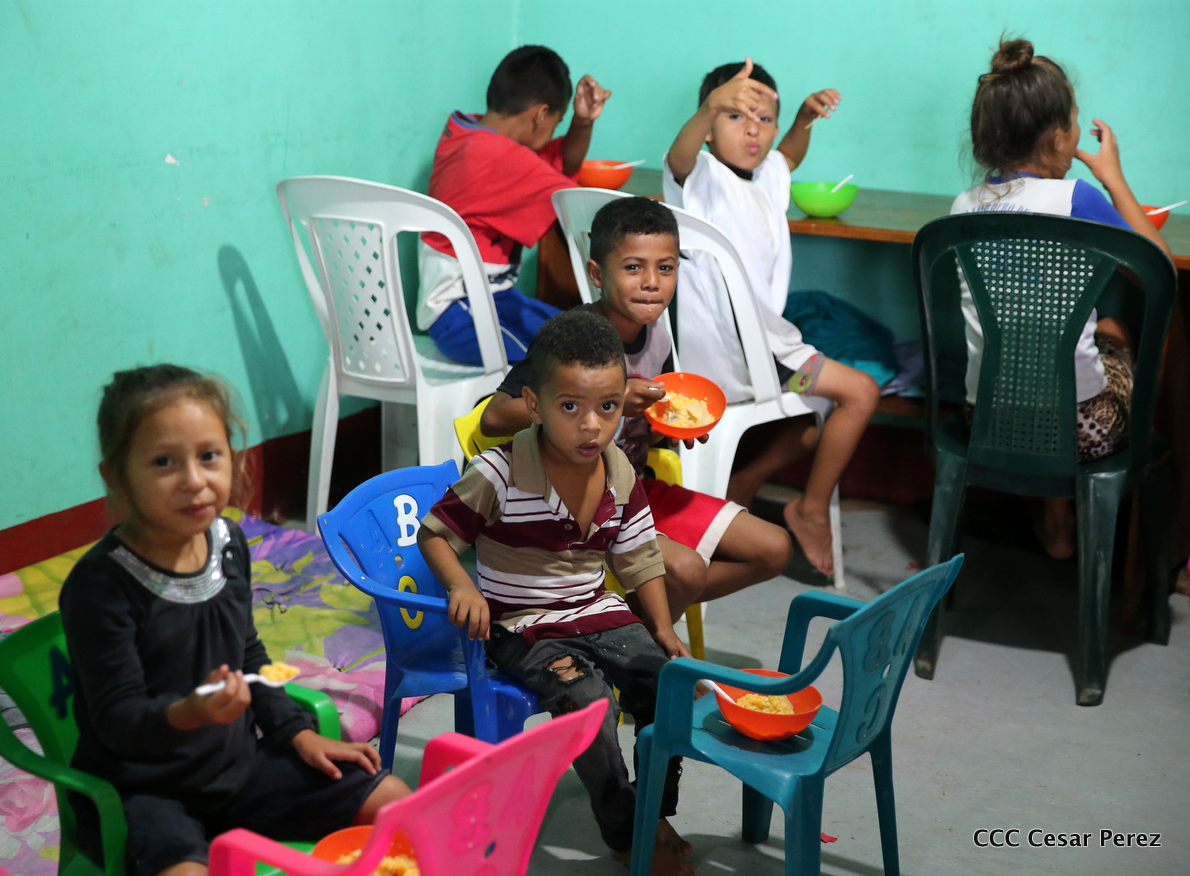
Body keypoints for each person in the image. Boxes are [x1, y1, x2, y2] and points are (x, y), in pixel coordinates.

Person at [60, 365, 410, 876]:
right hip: (146, 791)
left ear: (232, 455)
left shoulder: (227, 543)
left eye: (208, 455)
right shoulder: (100, 586)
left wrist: (295, 732)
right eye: (163, 462)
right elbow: (116, 719)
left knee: (395, 802)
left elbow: (248, 654)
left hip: (239, 768)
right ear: (116, 476)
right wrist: (188, 714)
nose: (194, 480)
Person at [419, 309, 695, 876]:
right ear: (534, 404)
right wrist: (462, 584)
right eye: (570, 407)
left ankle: (652, 811)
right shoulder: (497, 473)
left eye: (608, 407)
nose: (591, 426)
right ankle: (625, 834)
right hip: (520, 625)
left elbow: (640, 557)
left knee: (667, 684)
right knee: (589, 702)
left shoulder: (619, 471)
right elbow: (434, 534)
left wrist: (663, 628)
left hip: (598, 611)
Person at [480, 196, 792, 620]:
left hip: (635, 491)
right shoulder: (573, 339)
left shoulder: (658, 333)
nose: (651, 282)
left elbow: (650, 416)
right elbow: (495, 416)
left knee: (774, 549)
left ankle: (623, 624)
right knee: (685, 571)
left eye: (665, 268)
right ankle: (633, 640)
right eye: (633, 267)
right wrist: (608, 402)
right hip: (573, 503)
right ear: (597, 274)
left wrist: (671, 427)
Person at [954, 38, 1171, 559]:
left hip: (986, 419)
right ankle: (1106, 533)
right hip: (1081, 433)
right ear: (1057, 137)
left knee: (1042, 354)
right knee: (1114, 329)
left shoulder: (963, 205)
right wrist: (1113, 177)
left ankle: (1054, 519)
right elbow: (1160, 274)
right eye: (1074, 122)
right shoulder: (1077, 198)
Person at [663, 58, 881, 575]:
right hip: (743, 357)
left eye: (764, 119)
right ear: (709, 126)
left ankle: (744, 483)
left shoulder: (766, 178)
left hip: (766, 351)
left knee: (819, 412)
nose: (753, 130)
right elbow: (678, 155)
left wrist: (803, 120)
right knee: (861, 392)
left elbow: (789, 157)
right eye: (735, 116)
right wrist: (710, 105)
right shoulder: (701, 178)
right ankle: (810, 510)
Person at [419, 45, 611, 366]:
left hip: (493, 297)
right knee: (561, 362)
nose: (553, 131)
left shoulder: (468, 132)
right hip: (459, 312)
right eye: (557, 122)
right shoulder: (498, 158)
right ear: (539, 114)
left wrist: (582, 122)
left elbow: (560, 164)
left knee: (580, 333)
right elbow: (579, 205)